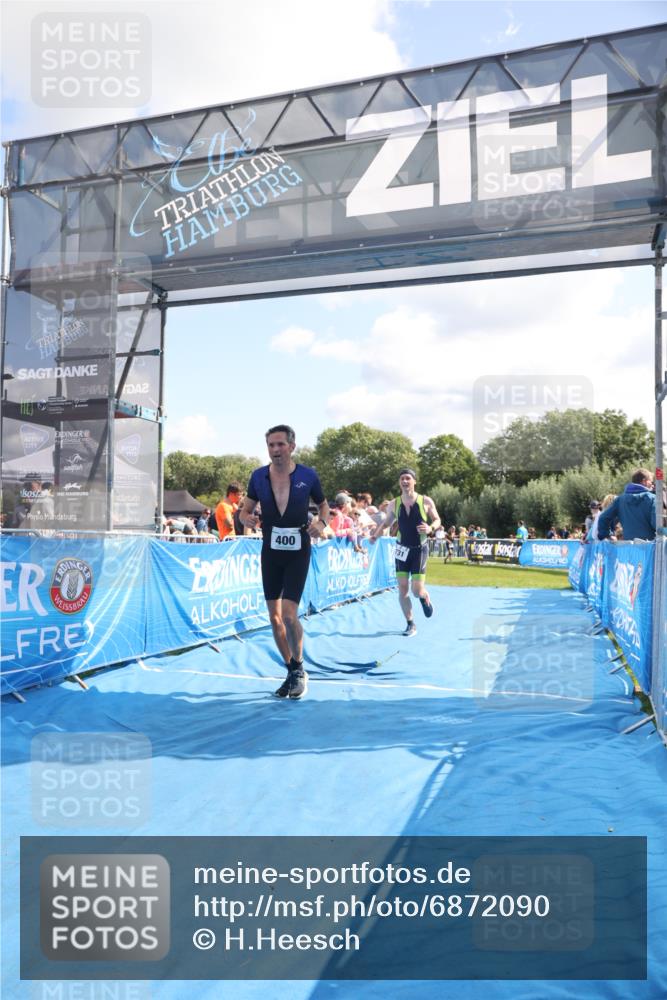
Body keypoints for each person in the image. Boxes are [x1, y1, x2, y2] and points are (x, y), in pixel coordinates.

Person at [239, 425, 329, 699]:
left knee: (289, 615)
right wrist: (247, 519)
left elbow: (324, 505)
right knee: (274, 618)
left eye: (280, 444)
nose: (275, 450)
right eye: (271, 445)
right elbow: (245, 510)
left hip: (298, 551)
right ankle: (291, 671)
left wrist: (322, 522)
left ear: (292, 446)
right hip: (271, 551)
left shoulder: (307, 475)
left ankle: (300, 669)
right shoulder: (258, 476)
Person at [370, 468, 441, 637]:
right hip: (402, 548)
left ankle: (424, 597)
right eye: (402, 478)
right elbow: (387, 523)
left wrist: (430, 527)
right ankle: (410, 624)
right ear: (399, 482)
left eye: (408, 478)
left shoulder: (426, 501)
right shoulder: (394, 503)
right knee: (402, 589)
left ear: (414, 481)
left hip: (419, 549)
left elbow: (437, 520)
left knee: (416, 591)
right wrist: (375, 536)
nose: (405, 481)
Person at [596, 469, 657, 542]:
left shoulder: (620, 499)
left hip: (628, 548)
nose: (652, 485)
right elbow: (656, 523)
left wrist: (607, 535)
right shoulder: (653, 498)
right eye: (651, 481)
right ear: (644, 481)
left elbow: (603, 517)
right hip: (649, 547)